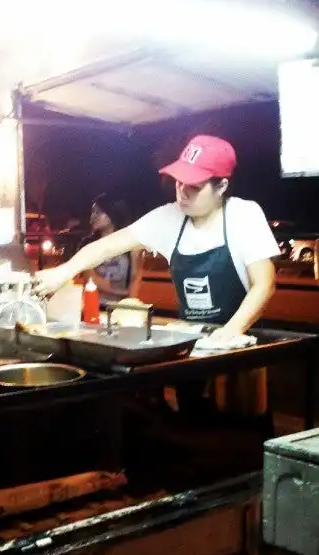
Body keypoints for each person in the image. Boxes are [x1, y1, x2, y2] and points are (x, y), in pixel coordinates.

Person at [36, 136, 279, 416]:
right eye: (178, 183)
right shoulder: (169, 218)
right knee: (191, 429)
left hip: (239, 346)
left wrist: (228, 333)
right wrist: (63, 272)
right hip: (193, 346)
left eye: (194, 187)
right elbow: (107, 246)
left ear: (221, 186)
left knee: (240, 433)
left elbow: (264, 284)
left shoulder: (243, 215)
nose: (182, 194)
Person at [78, 193, 141, 301]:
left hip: (121, 308)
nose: (93, 216)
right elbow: (91, 278)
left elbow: (135, 278)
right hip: (94, 305)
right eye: (92, 212)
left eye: (98, 212)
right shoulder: (89, 244)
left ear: (112, 214)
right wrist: (123, 292)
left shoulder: (131, 245)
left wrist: (130, 304)